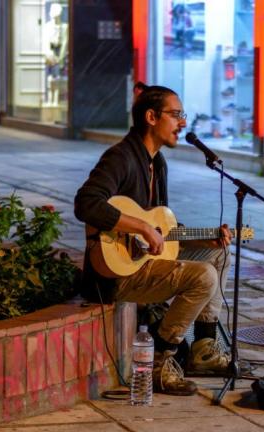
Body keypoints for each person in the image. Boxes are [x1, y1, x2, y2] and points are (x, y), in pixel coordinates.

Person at [74, 84, 233, 396]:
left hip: (147, 264)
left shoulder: (157, 163)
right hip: (117, 274)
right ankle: (160, 361)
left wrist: (204, 239)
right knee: (203, 276)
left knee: (219, 256)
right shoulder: (120, 157)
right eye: (176, 115)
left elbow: (161, 229)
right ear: (151, 117)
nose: (182, 123)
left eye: (182, 116)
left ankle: (202, 349)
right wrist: (140, 228)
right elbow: (86, 203)